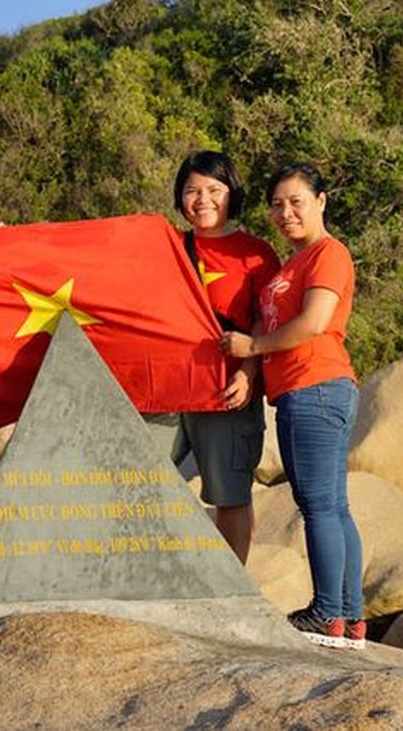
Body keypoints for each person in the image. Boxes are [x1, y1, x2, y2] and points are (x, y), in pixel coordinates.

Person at [220, 163, 364, 649]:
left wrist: (251, 350)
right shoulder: (291, 264)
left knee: (320, 506)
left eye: (297, 201)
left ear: (321, 201)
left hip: (315, 385)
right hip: (309, 389)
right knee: (335, 506)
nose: (286, 212)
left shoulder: (329, 254)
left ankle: (327, 613)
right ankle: (349, 619)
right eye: (277, 204)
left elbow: (314, 322)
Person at [165, 151, 280, 564]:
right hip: (165, 386)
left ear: (233, 194)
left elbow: (266, 320)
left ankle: (234, 593)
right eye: (192, 190)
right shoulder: (166, 246)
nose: (203, 199)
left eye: (214, 190)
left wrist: (249, 373)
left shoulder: (256, 253)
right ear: (179, 197)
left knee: (229, 492)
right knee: (136, 476)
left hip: (227, 387)